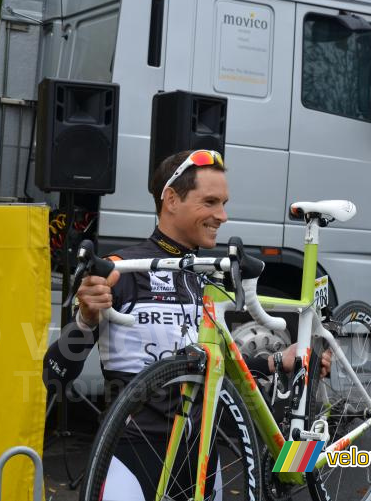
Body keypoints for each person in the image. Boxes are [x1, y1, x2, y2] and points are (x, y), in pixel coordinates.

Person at [43, 149, 330, 499]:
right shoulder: (123, 269)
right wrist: (86, 319)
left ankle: (307, 457)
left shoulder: (204, 278)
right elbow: (55, 373)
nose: (222, 216)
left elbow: (216, 370)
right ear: (172, 199)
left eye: (224, 203)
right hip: (134, 454)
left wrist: (275, 362)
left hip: (201, 458)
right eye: (210, 202)